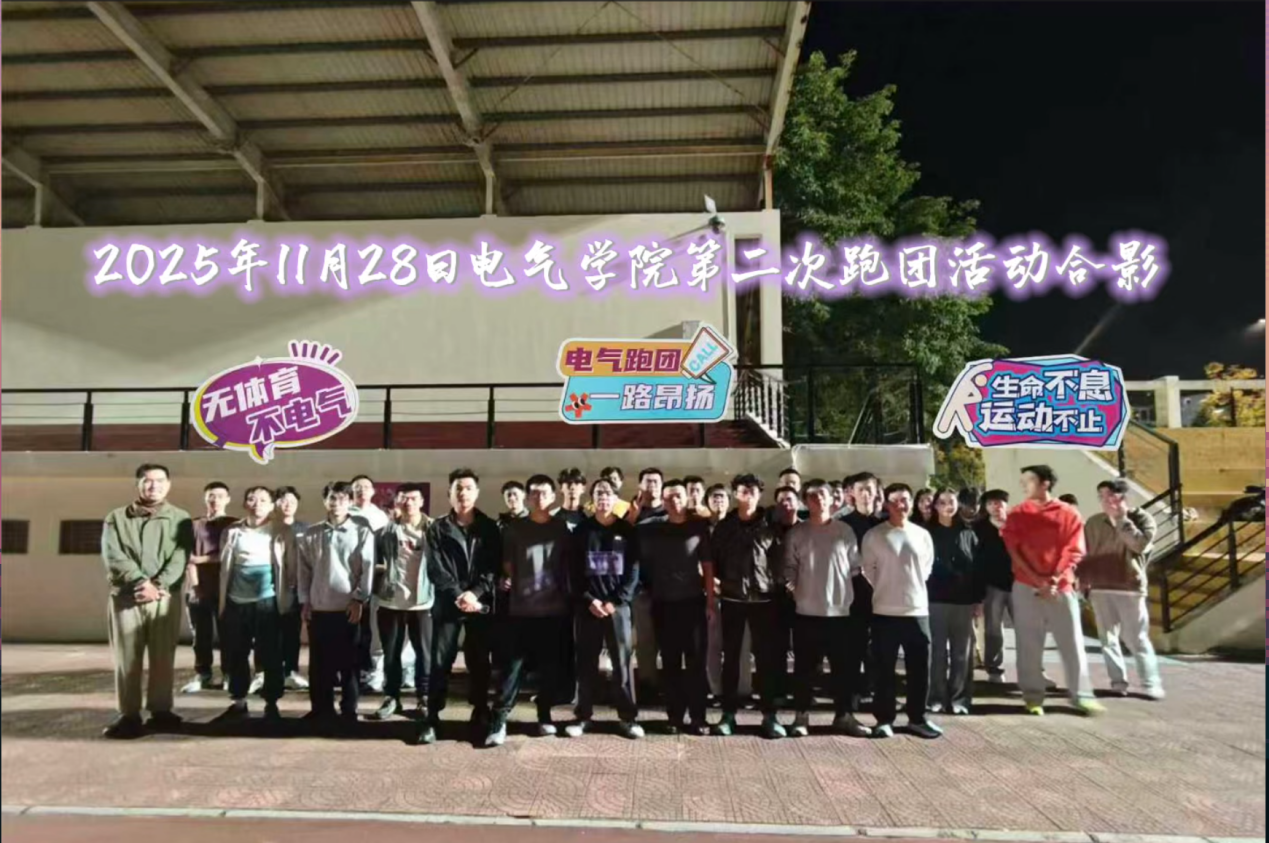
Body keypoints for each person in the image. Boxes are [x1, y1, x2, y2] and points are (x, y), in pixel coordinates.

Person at [101, 464, 194, 739]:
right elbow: (113, 555)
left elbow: (180, 556)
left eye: (160, 480)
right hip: (127, 597)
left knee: (163, 656)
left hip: (164, 598)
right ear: (138, 484)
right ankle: (128, 715)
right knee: (127, 659)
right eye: (148, 480)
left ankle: (161, 711)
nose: (154, 486)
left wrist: (159, 585)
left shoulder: (180, 518)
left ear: (169, 485)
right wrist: (142, 583)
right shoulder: (116, 517)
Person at [1001, 465, 1103, 717]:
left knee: (1072, 643)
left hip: (1062, 587)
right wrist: (1037, 580)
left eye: (1029, 480)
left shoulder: (1068, 513)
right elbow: (1014, 550)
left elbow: (1074, 549)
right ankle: (1033, 697)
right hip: (1026, 586)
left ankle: (1082, 696)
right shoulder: (1017, 514)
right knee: (1028, 644)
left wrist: (1055, 578)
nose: (1024, 485)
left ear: (1045, 483)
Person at [487, 475, 575, 745]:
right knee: (511, 669)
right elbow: (507, 564)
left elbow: (567, 566)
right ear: (527, 498)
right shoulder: (514, 528)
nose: (539, 498)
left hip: (554, 609)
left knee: (549, 668)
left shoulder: (562, 528)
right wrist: (511, 582)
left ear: (553, 497)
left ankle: (544, 715)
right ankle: (499, 719)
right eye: (534, 493)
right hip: (521, 609)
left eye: (544, 493)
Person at [782, 479, 871, 738]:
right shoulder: (797, 533)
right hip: (806, 613)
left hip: (840, 614)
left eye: (822, 494)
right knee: (804, 671)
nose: (818, 499)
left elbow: (856, 569)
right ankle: (801, 717)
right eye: (811, 496)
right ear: (805, 502)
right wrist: (795, 590)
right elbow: (788, 568)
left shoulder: (845, 531)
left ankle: (844, 716)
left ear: (833, 499)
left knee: (844, 670)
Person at [426, 468, 502, 743]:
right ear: (450, 493)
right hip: (448, 605)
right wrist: (459, 594)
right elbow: (435, 569)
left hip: (479, 606)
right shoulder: (437, 528)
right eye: (458, 488)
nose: (463, 493)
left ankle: (480, 711)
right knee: (440, 662)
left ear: (477, 493)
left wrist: (475, 593)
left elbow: (493, 567)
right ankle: (432, 716)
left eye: (469, 488)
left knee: (479, 661)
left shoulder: (489, 528)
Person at [861, 483, 942, 739]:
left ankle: (917, 718)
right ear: (886, 504)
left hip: (917, 611)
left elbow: (926, 568)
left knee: (920, 669)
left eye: (905, 499)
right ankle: (884, 720)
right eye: (894, 500)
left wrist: (910, 588)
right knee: (884, 669)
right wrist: (887, 588)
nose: (900, 505)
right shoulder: (874, 535)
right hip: (884, 611)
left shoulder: (922, 535)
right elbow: (867, 570)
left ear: (912, 502)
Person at [568, 477, 644, 739]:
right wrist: (590, 600)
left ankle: (628, 718)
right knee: (585, 663)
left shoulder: (627, 530)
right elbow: (573, 572)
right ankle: (583, 716)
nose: (603, 498)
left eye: (608, 493)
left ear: (615, 498)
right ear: (592, 500)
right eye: (598, 494)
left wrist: (615, 601)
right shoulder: (582, 531)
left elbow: (634, 571)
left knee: (622, 663)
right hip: (588, 608)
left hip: (617, 608)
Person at [710, 474, 786, 739]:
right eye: (743, 490)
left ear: (759, 494)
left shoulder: (771, 525)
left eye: (753, 490)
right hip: (732, 599)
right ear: (735, 494)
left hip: (764, 601)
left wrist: (776, 588)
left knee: (766, 660)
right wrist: (716, 584)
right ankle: (728, 715)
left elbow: (779, 561)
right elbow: (713, 560)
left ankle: (769, 715)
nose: (748, 494)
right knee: (731, 659)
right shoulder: (725, 527)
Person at [638, 479, 716, 734]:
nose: (674, 501)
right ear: (663, 500)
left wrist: (710, 602)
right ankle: (674, 717)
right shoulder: (652, 528)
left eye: (678, 496)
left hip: (693, 604)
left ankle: (698, 717)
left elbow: (707, 566)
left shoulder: (698, 527)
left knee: (696, 663)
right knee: (670, 663)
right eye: (669, 497)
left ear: (686, 498)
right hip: (663, 604)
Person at [297, 481, 374, 731]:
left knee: (349, 664)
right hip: (319, 607)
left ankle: (349, 710)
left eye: (342, 499)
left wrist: (359, 599)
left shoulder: (362, 531)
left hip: (348, 608)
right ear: (325, 501)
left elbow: (368, 568)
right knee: (319, 664)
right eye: (332, 498)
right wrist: (305, 601)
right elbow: (304, 571)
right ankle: (320, 709)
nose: (336, 503)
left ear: (350, 502)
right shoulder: (311, 533)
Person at [1082, 479, 1164, 700]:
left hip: (1129, 588)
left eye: (1110, 496)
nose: (1105, 501)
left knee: (1136, 638)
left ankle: (1150, 683)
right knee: (1107, 639)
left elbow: (1139, 545)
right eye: (1101, 497)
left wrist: (1121, 518)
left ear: (1123, 497)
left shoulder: (1143, 519)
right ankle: (1118, 682)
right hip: (1100, 588)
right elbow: (1087, 552)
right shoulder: (1094, 522)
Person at [216, 486, 290, 725]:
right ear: (245, 503)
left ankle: (272, 702)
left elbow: (290, 568)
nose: (257, 504)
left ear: (272, 505)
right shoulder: (233, 531)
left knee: (271, 654)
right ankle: (238, 701)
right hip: (236, 602)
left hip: (267, 602)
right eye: (252, 499)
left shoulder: (281, 531)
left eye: (263, 500)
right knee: (236, 653)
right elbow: (225, 567)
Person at [371, 483, 435, 729]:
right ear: (397, 502)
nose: (408, 503)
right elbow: (373, 564)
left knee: (425, 654)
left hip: (423, 602)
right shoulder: (384, 533)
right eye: (404, 498)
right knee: (391, 654)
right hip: (391, 601)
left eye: (413, 498)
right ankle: (391, 697)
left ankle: (424, 697)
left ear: (421, 502)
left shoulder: (434, 530)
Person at [925, 488, 981, 715]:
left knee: (962, 653)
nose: (948, 506)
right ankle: (936, 697)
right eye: (943, 502)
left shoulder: (968, 533)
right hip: (934, 599)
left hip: (963, 600)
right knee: (936, 652)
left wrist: (978, 600)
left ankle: (960, 699)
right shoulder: (926, 532)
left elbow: (977, 568)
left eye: (952, 502)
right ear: (935, 506)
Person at [181, 481, 235, 694]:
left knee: (228, 635)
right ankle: (203, 674)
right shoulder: (193, 524)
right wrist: (195, 586)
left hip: (226, 589)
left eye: (220, 496)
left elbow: (229, 555)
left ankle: (230, 674)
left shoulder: (234, 524)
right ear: (205, 498)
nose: (215, 500)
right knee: (200, 636)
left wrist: (200, 559)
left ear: (228, 499)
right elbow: (187, 557)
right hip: (197, 588)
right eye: (211, 496)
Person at [839, 472, 882, 710]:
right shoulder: (843, 525)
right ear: (852, 494)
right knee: (852, 648)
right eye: (861, 489)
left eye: (869, 489)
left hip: (882, 594)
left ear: (877, 492)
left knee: (879, 648)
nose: (866, 494)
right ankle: (852, 693)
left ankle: (876, 691)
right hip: (853, 595)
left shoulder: (884, 524)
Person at [628, 467, 666, 702]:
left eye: (656, 481)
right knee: (645, 640)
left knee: (670, 639)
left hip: (669, 586)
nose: (652, 485)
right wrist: (632, 517)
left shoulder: (672, 510)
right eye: (647, 481)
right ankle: (648, 683)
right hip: (641, 586)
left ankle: (671, 685)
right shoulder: (633, 512)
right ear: (640, 486)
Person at [349, 475, 390, 693]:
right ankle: (350, 670)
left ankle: (374, 671)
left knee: (372, 627)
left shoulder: (380, 516)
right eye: (357, 487)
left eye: (366, 487)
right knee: (352, 626)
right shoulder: (346, 513)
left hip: (376, 577)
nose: (362, 490)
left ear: (373, 491)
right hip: (350, 578)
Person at [974, 489, 1013, 684]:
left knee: (1027, 629)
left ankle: (1034, 668)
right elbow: (977, 560)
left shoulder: (1017, 524)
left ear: (1006, 504)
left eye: (998, 503)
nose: (995, 507)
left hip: (1019, 583)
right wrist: (979, 592)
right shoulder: (979, 528)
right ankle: (995, 669)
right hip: (992, 585)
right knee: (993, 629)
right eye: (990, 504)